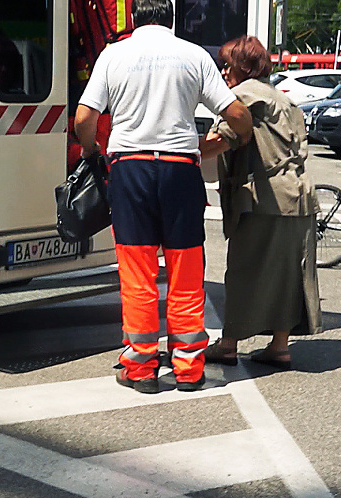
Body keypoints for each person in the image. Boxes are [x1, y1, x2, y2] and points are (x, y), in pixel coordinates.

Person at [74, 0, 252, 393]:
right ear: (171, 18)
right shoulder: (192, 55)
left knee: (138, 273)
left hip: (130, 169)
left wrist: (91, 152)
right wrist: (237, 137)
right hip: (179, 171)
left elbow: (84, 118)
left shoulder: (113, 55)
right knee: (185, 271)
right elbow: (237, 114)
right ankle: (188, 369)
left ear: (135, 18)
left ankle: (141, 370)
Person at [199, 35, 322, 370]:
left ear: (246, 67)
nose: (223, 72)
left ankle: (228, 344)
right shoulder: (284, 99)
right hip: (299, 197)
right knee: (288, 275)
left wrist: (176, 151)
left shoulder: (245, 94)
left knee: (243, 269)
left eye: (228, 65)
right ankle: (279, 346)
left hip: (264, 197)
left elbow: (220, 140)